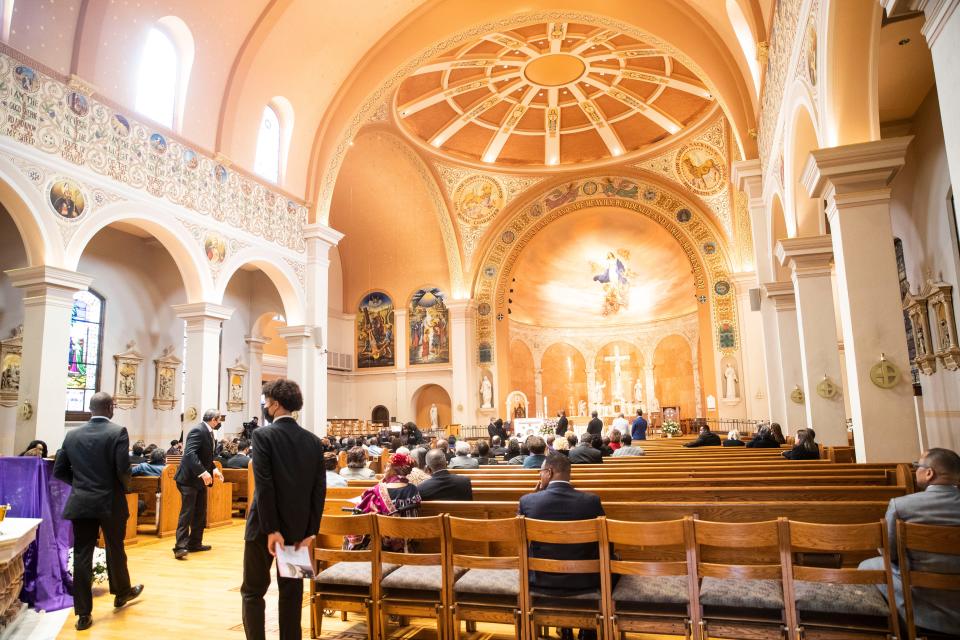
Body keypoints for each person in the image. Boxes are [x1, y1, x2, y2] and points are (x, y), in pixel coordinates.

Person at [242, 378, 325, 640]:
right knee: (291, 593)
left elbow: (264, 486)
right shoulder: (312, 440)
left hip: (264, 529)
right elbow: (318, 490)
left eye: (266, 402)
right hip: (298, 529)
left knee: (253, 591)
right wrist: (311, 530)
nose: (265, 406)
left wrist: (271, 529)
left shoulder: (262, 435)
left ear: (275, 405)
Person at [52, 392, 142, 631]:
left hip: (82, 502)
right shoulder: (117, 432)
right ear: (110, 408)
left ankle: (83, 613)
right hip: (110, 501)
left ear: (91, 409)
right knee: (115, 547)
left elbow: (59, 471)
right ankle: (122, 593)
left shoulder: (71, 435)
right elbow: (123, 468)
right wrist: (126, 487)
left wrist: (81, 486)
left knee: (82, 555)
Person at [858, 448, 960, 635]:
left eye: (917, 466)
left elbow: (890, 552)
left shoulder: (902, 505)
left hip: (919, 595)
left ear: (929, 473)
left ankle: (895, 629)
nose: (915, 470)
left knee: (866, 567)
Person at [518, 454, 605, 639]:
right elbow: (604, 545)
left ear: (548, 473)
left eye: (540, 472)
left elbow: (520, 542)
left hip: (541, 580)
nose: (539, 476)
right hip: (584, 581)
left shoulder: (528, 501)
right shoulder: (591, 501)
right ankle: (587, 629)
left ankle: (564, 627)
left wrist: (534, 497)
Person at [173, 409, 224, 559]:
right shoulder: (198, 430)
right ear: (214, 420)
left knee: (200, 512)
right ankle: (180, 547)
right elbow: (190, 454)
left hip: (200, 480)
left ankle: (195, 543)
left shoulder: (209, 432)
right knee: (187, 513)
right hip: (189, 479)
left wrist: (213, 470)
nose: (219, 422)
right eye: (219, 419)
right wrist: (203, 472)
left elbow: (206, 457)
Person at [351, 453, 422, 550]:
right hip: (407, 539)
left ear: (391, 468)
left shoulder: (377, 490)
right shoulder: (413, 489)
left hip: (382, 543)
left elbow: (364, 513)